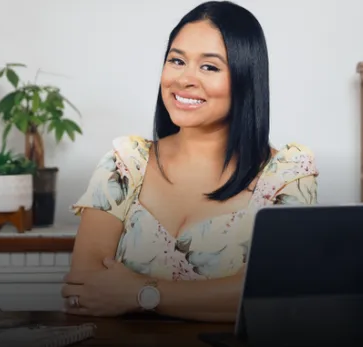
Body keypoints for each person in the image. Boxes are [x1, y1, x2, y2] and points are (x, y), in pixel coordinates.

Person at [61, 0, 319, 323]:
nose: (184, 79)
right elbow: (82, 289)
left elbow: (273, 295)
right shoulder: (125, 163)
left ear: (245, 77)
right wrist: (211, 297)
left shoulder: (287, 175)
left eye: (209, 66)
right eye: (177, 60)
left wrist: (139, 293)